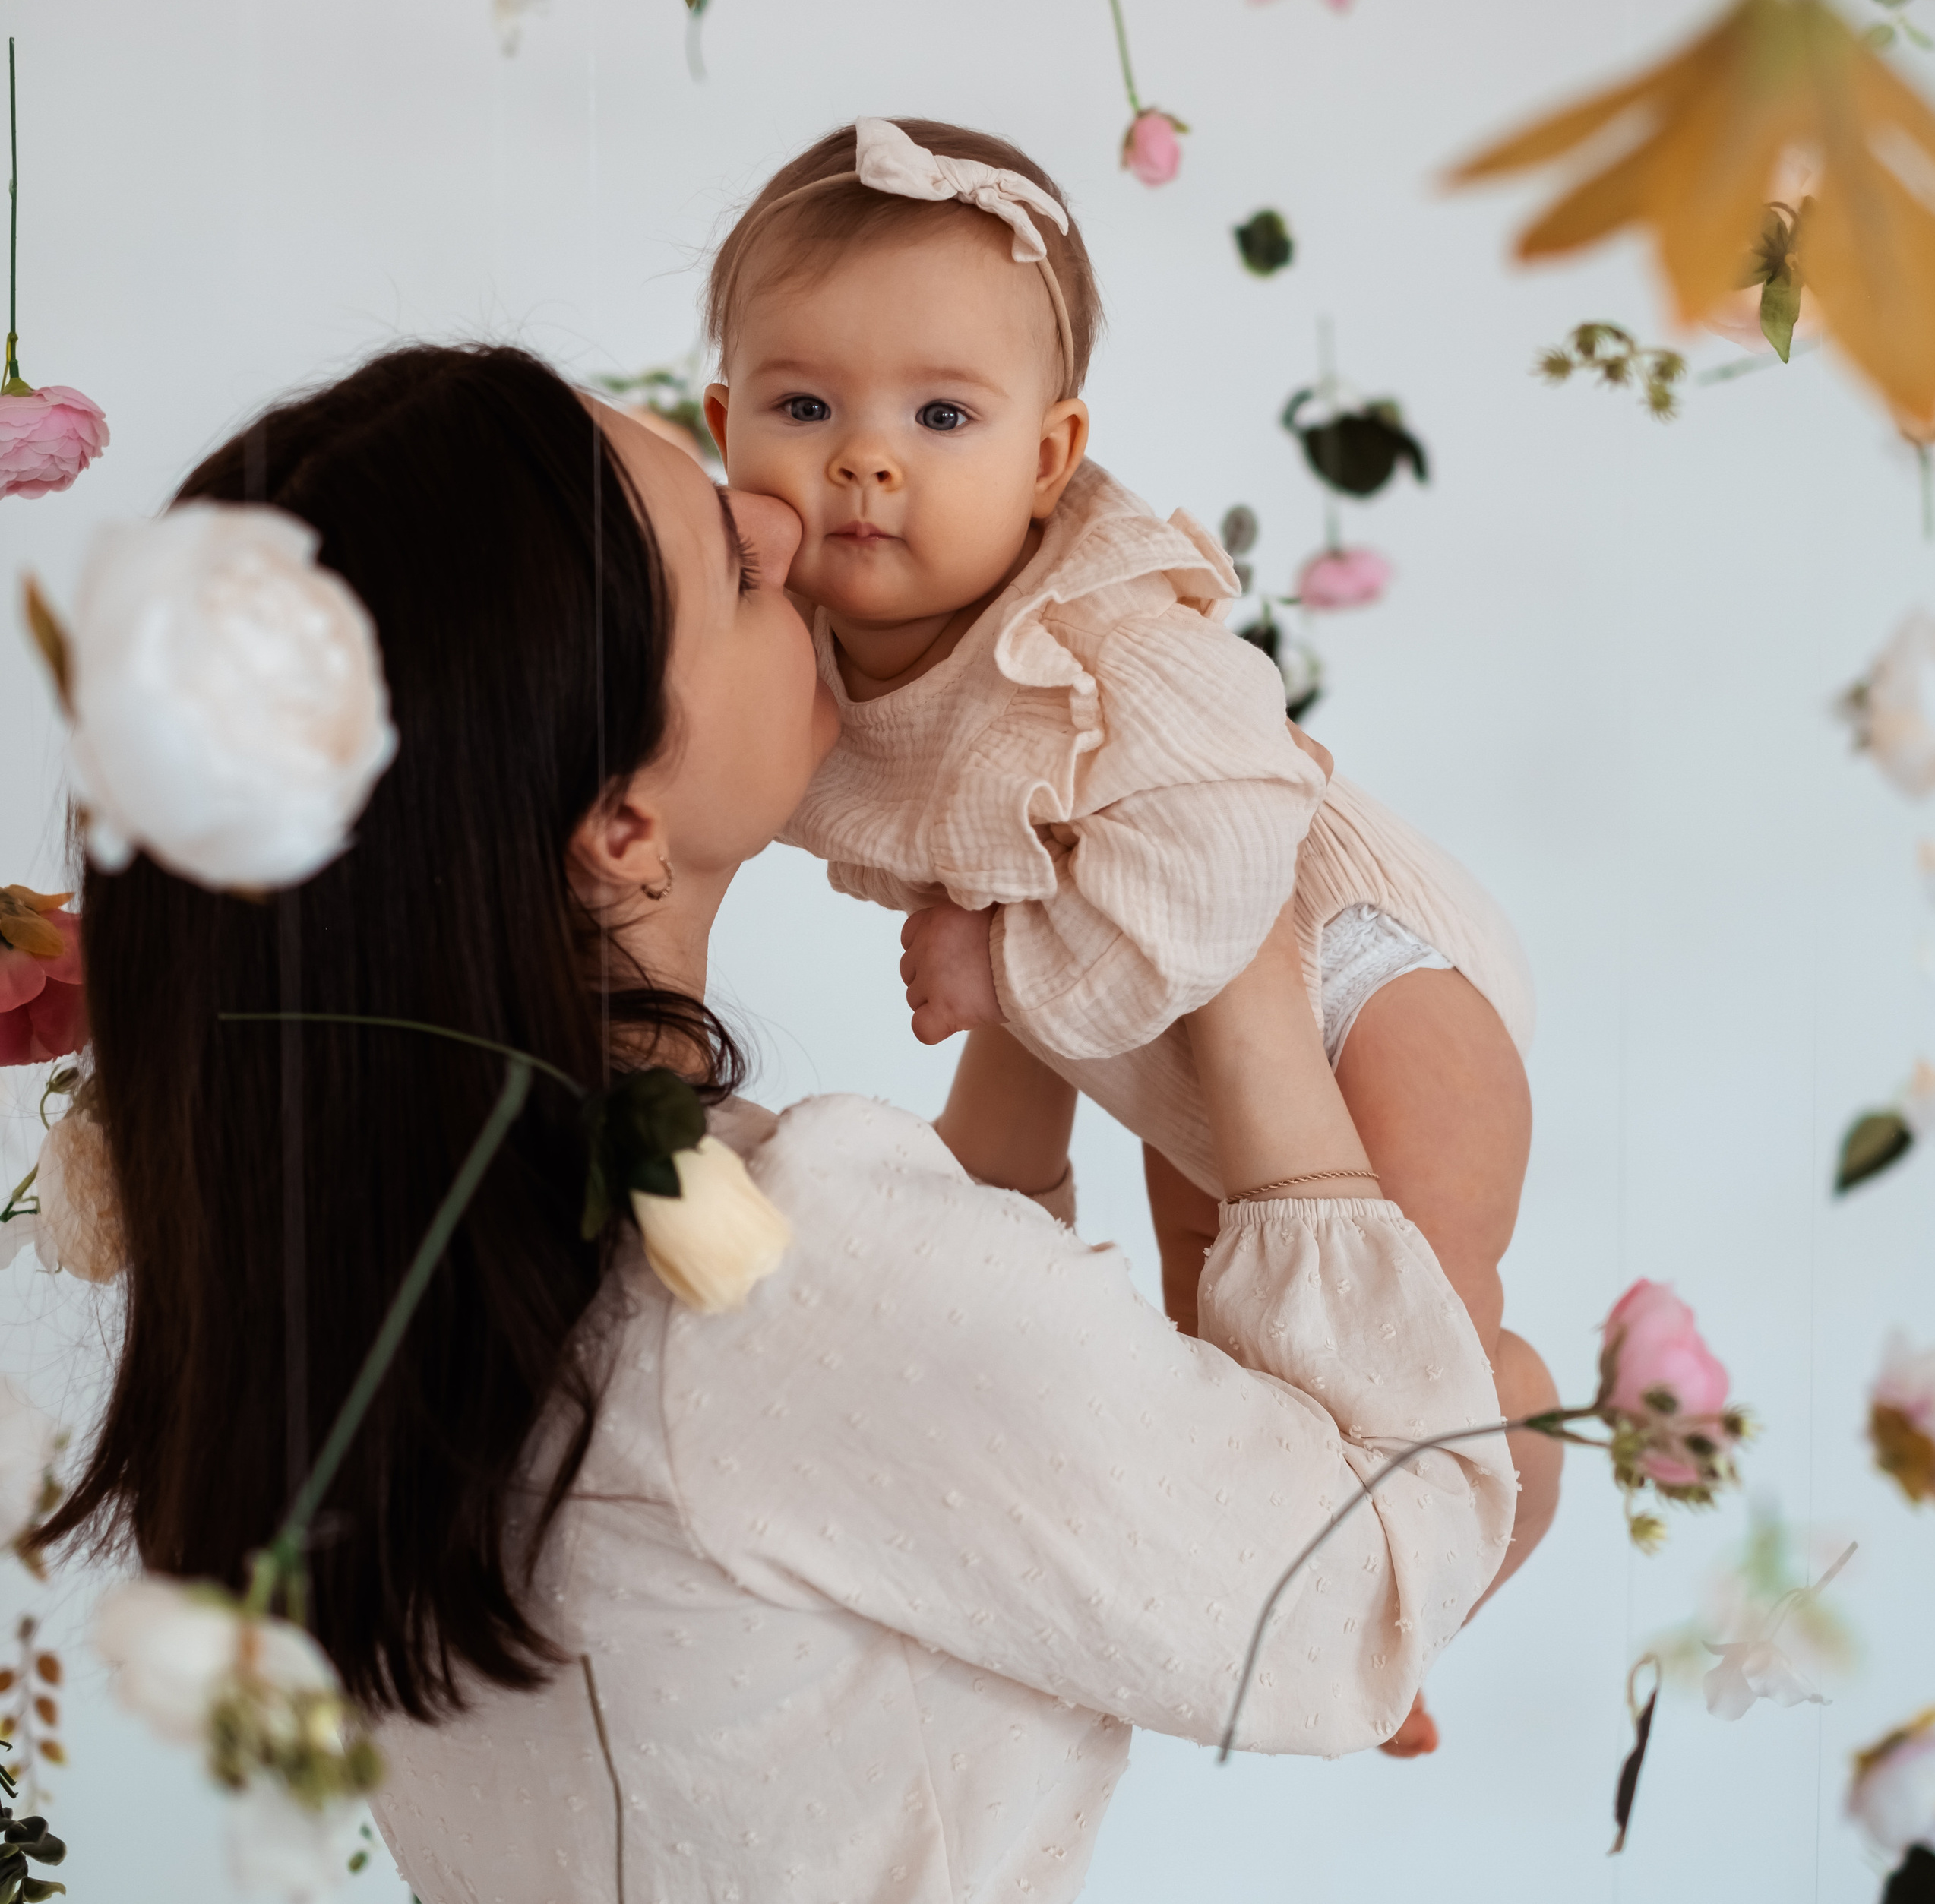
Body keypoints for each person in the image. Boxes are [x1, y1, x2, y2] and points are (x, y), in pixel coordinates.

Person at [30, 343, 1516, 1902]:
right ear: (619, 828)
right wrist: (1243, 950)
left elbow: (915, 1425)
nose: (792, 531)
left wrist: (1047, 921)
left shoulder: (394, 1276)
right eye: (733, 566)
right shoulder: (768, 1282)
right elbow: (1356, 1596)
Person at [701, 120, 1563, 1734]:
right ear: (724, 423)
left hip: (1366, 975)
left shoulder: (1105, 632)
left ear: (1047, 453)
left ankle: (1475, 1473)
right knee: (1224, 1350)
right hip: (1160, 1032)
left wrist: (1003, 962)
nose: (864, 460)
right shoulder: (793, 642)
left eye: (940, 414)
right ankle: (1349, 1592)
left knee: (1409, 1315)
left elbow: (1219, 858)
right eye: (803, 406)